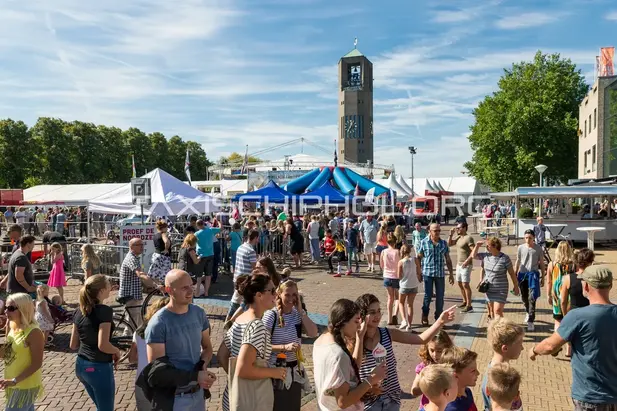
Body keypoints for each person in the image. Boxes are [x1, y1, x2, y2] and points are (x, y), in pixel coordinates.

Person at [529, 265, 617, 410]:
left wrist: (534, 350)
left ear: (587, 286)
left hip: (589, 396)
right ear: (610, 285)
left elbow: (551, 346)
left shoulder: (577, 316)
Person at [355, 294, 456, 411]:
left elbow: (421, 339)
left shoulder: (388, 333)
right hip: (368, 402)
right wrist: (368, 388)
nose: (377, 316)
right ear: (361, 315)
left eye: (378, 311)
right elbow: (352, 372)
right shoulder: (355, 340)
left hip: (392, 398)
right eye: (372, 312)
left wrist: (440, 321)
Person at [145, 269, 216, 411]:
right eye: (184, 288)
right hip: (174, 399)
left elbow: (207, 348)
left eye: (191, 285)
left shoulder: (199, 313)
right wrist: (195, 375)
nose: (191, 291)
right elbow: (157, 373)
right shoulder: (158, 323)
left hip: (198, 394)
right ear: (168, 290)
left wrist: (203, 364)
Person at [217, 273, 283, 411]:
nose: (276, 295)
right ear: (258, 295)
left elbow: (222, 354)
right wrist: (274, 372)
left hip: (233, 397)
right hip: (250, 401)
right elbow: (244, 369)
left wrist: (234, 379)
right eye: (271, 290)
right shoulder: (256, 325)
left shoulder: (240, 319)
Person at [313, 298, 387, 411]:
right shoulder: (337, 354)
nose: (359, 327)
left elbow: (348, 370)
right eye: (356, 321)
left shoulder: (320, 342)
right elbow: (343, 402)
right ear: (343, 321)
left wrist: (360, 338)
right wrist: (371, 380)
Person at [263, 280, 318, 411]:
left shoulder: (297, 314)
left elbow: (313, 332)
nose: (291, 298)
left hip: (295, 370)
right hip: (276, 370)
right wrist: (284, 347)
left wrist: (301, 311)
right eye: (287, 295)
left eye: (294, 295)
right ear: (279, 294)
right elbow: (262, 346)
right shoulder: (271, 315)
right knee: (278, 406)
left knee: (293, 406)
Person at [70, 275, 121, 411]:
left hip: (81, 366)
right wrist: (116, 351)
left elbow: (73, 345)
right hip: (98, 367)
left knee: (101, 407)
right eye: (108, 284)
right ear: (102, 290)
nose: (111, 286)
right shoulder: (104, 311)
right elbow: (103, 345)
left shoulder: (78, 311)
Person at [0, 293, 45, 411]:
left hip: (24, 384)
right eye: (5, 307)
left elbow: (37, 364)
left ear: (23, 309)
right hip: (11, 382)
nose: (5, 311)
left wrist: (15, 381)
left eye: (10, 308)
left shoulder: (34, 332)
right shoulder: (11, 325)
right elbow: (6, 353)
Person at [130, 296, 170, 410]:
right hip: (162, 382)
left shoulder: (138, 332)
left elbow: (132, 358)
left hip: (142, 381)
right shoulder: (167, 333)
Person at [481, 318, 524, 411]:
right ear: (505, 348)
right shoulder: (496, 381)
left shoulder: (499, 373)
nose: (522, 348)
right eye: (519, 344)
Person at [471, 238, 520, 319]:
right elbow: (473, 256)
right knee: (492, 311)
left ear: (495, 246)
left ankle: (501, 328)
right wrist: (477, 246)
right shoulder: (485, 256)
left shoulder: (505, 258)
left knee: (498, 310)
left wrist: (516, 286)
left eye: (488, 246)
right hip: (489, 288)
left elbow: (511, 273)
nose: (486, 248)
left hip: (501, 289)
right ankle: (494, 328)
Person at [417, 224, 454, 326]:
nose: (437, 232)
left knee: (440, 297)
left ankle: (438, 318)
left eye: (439, 230)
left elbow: (448, 259)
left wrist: (451, 274)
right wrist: (418, 272)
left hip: (440, 274)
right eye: (435, 230)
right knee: (427, 296)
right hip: (427, 273)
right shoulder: (424, 242)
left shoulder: (443, 243)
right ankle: (425, 315)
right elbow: (419, 258)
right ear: (430, 231)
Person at [559, 248, 592, 357]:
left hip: (574, 312)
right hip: (589, 313)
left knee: (574, 338)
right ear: (590, 262)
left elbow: (563, 300)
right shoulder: (592, 278)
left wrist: (565, 315)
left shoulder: (568, 278)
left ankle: (572, 352)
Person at [411, 330, 455, 409]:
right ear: (426, 348)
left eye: (439, 351)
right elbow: (414, 391)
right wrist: (428, 384)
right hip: (429, 407)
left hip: (449, 406)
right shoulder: (424, 367)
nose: (435, 355)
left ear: (447, 348)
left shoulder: (451, 365)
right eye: (432, 350)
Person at [514, 229, 545, 331]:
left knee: (532, 297)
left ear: (534, 238)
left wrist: (543, 277)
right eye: (526, 238)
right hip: (522, 275)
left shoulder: (538, 249)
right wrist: (515, 273)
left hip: (533, 275)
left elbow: (542, 263)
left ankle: (531, 320)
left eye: (530, 238)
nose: (527, 240)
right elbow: (518, 260)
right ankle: (528, 312)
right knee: (524, 297)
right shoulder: (520, 248)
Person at [226, 230, 259, 321]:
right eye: (257, 238)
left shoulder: (240, 247)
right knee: (241, 303)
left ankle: (231, 320)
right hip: (245, 281)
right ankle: (231, 321)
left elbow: (236, 264)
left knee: (237, 302)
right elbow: (254, 268)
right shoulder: (251, 251)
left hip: (237, 278)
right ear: (255, 238)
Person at [118, 238, 151, 329]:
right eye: (139, 245)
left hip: (133, 293)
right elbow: (139, 274)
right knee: (133, 320)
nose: (142, 247)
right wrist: (154, 285)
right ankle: (128, 339)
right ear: (132, 247)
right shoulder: (131, 258)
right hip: (130, 294)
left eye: (142, 244)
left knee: (135, 319)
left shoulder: (134, 257)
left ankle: (137, 337)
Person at [546, 241, 574, 335]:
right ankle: (569, 348)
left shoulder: (552, 264)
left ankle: (557, 344)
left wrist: (548, 295)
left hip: (556, 295)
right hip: (570, 295)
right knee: (570, 321)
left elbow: (549, 282)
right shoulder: (573, 265)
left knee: (558, 321)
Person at [440, 347, 479, 411]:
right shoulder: (452, 408)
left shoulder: (467, 391)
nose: (478, 373)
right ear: (455, 376)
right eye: (473, 371)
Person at [448, 222, 475, 313]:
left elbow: (473, 251)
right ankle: (465, 301)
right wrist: (451, 235)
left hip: (466, 265)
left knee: (465, 284)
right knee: (459, 283)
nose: (457, 230)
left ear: (464, 228)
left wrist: (467, 261)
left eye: (458, 228)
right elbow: (450, 244)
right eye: (457, 228)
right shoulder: (459, 237)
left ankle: (469, 305)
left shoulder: (468, 238)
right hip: (459, 265)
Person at [397, 244, 421, 331]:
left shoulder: (401, 262)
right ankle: (409, 325)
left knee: (401, 302)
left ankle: (404, 320)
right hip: (413, 284)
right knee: (410, 305)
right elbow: (418, 272)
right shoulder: (415, 260)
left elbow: (399, 276)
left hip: (404, 285)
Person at [195, 220, 220, 298]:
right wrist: (218, 221)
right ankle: (206, 292)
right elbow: (221, 228)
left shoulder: (196, 234)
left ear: (197, 225)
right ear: (204, 224)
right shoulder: (210, 230)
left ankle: (197, 293)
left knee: (199, 275)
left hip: (201, 255)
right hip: (210, 254)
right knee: (208, 275)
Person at [381, 233, 401, 326]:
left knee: (390, 298)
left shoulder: (384, 252)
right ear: (395, 241)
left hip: (387, 276)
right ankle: (395, 315)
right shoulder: (398, 252)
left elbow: (381, 265)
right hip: (396, 276)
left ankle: (389, 318)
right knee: (397, 298)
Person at [177, 233, 203, 297]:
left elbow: (178, 259)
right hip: (188, 270)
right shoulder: (191, 250)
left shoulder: (182, 248)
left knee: (182, 284)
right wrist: (200, 257)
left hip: (180, 268)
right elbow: (196, 261)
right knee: (189, 285)